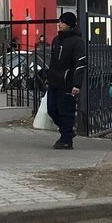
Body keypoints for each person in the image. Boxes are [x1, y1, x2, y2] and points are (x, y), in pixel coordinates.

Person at [45, 11, 87, 149]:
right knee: (52, 109)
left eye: (62, 22)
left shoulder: (77, 42)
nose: (59, 24)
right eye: (59, 22)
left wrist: (76, 84)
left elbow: (80, 63)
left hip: (67, 83)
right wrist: (48, 77)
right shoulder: (56, 40)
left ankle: (66, 139)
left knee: (65, 111)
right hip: (54, 82)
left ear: (69, 24)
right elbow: (53, 61)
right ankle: (68, 131)